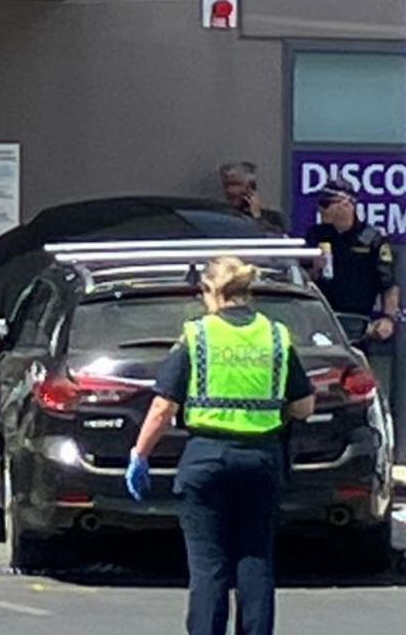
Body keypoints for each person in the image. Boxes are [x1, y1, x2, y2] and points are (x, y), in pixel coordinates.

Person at [126, 257, 314, 635]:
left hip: (206, 460)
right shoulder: (276, 335)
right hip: (262, 460)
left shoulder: (198, 335)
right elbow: (304, 406)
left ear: (211, 291)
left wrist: (140, 454)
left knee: (208, 567)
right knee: (255, 561)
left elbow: (164, 406)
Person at [304, 178, 399, 341]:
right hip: (321, 321)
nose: (321, 209)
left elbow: (388, 284)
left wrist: (388, 319)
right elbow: (301, 279)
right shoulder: (316, 235)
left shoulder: (371, 239)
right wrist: (315, 269)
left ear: (346, 204)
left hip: (358, 324)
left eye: (326, 204)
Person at [219, 162, 289, 235]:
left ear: (251, 188)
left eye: (236, 184)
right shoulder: (220, 214)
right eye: (226, 185)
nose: (229, 190)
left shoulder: (274, 217)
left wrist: (257, 216)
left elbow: (272, 240)